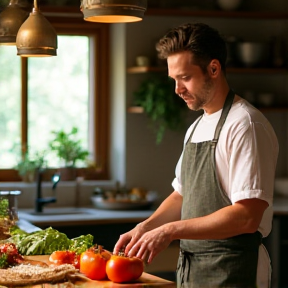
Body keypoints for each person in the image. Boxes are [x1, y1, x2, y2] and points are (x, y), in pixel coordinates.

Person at [114, 22, 279, 288]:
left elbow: (248, 217)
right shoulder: (196, 126)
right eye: (174, 80)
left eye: (185, 77)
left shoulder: (245, 124)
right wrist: (145, 227)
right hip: (194, 270)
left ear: (213, 69)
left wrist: (169, 231)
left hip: (235, 270)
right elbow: (182, 194)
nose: (177, 89)